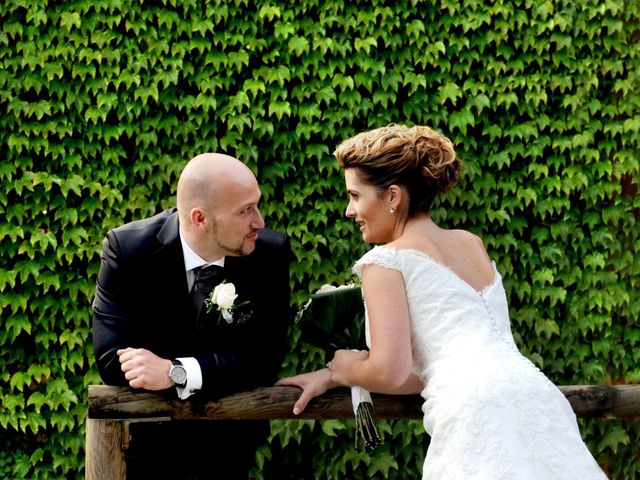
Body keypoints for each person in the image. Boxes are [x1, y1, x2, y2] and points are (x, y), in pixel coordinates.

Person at [276, 125, 607, 479]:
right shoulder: (470, 243)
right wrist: (334, 378)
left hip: (474, 411)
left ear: (392, 197)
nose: (349, 210)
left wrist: (342, 368)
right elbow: (425, 371)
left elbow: (391, 370)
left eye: (355, 196)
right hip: (538, 397)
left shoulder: (383, 261)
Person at [92, 153, 292, 479]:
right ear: (201, 218)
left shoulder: (269, 254)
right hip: (148, 443)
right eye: (245, 210)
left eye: (256, 205)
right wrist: (220, 367)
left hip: (232, 447)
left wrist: (176, 372)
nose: (260, 221)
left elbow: (265, 357)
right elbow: (111, 358)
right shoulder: (128, 250)